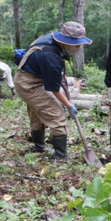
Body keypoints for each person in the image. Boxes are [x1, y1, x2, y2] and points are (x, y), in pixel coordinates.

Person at [14, 21, 92, 160]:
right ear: (67, 41)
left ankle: (39, 146)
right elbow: (54, 89)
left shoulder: (51, 38)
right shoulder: (50, 56)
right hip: (28, 82)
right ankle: (61, 156)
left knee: (38, 112)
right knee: (56, 114)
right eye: (77, 44)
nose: (79, 47)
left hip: (29, 76)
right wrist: (69, 106)